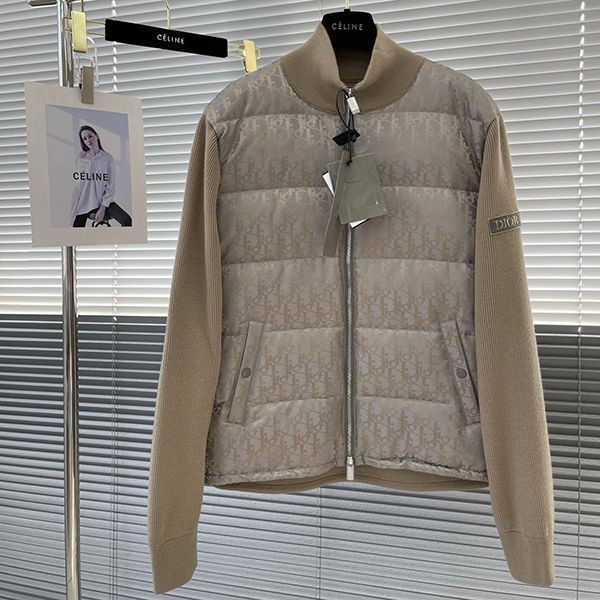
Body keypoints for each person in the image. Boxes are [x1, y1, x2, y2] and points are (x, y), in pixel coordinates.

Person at [70, 125, 132, 227]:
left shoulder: (107, 158)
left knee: (127, 220)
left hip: (103, 201)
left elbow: (111, 185)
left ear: (97, 136)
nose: (88, 140)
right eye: (84, 139)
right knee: (76, 231)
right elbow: (79, 183)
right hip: (84, 202)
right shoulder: (81, 157)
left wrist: (102, 208)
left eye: (90, 136)